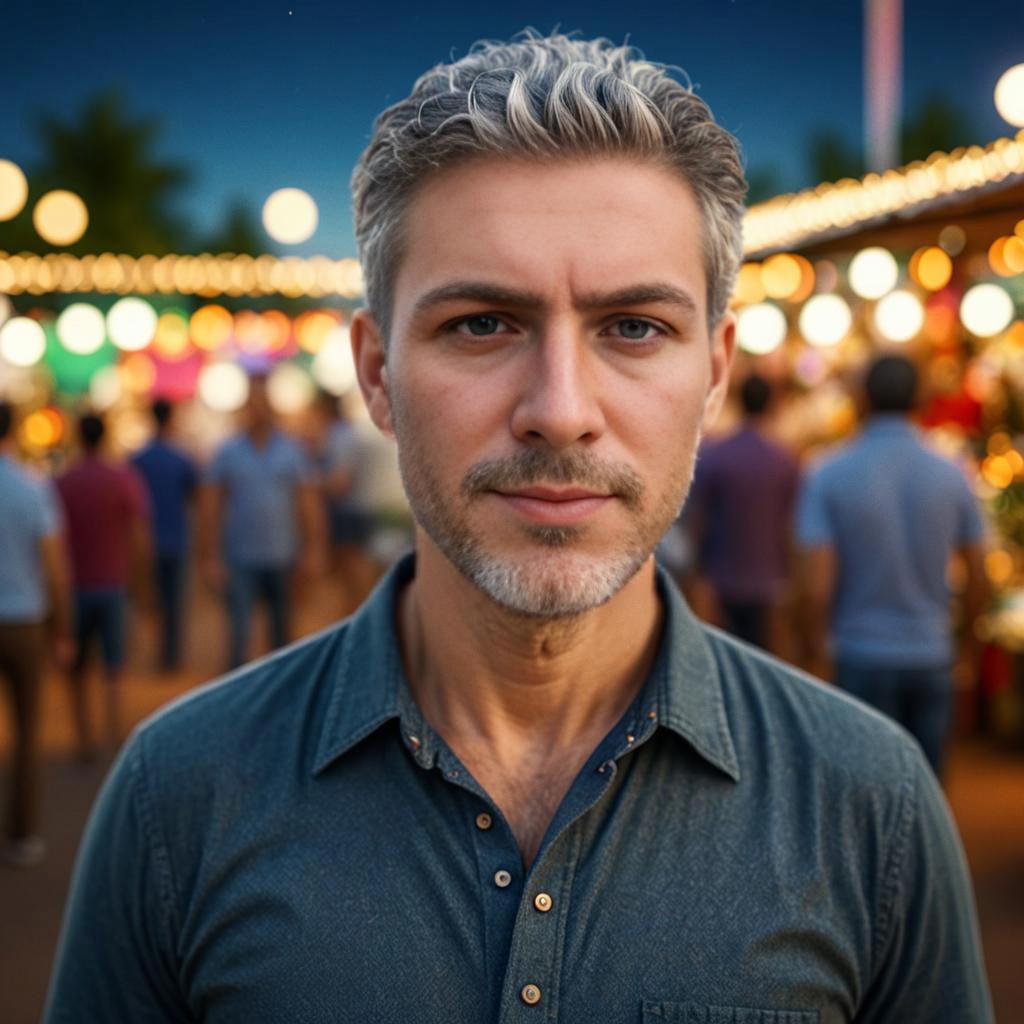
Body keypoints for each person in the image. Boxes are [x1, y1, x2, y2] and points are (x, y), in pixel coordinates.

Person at [46, 35, 993, 1022]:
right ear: (376, 373)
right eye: (482, 324)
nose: (559, 407)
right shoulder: (179, 796)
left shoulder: (868, 803)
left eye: (633, 327)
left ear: (712, 373)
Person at [798, 354, 988, 778]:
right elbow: (978, 573)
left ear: (861, 399)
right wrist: (968, 646)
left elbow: (817, 586)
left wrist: (815, 650)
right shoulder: (951, 473)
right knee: (927, 800)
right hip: (931, 651)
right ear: (921, 399)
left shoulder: (828, 473)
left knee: (863, 799)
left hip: (859, 653)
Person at [198, 373, 324, 668]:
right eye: (251, 404)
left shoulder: (291, 451)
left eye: (261, 403)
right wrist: (210, 556)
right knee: (239, 636)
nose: (257, 410)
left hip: (283, 556)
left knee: (283, 638)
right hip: (240, 557)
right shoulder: (227, 453)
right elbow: (211, 509)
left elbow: (308, 505)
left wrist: (314, 549)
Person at [0, 403, 72, 867]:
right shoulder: (31, 486)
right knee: (28, 734)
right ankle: (22, 833)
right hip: (25, 621)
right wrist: (62, 628)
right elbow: (54, 567)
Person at [56, 413, 150, 758]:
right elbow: (140, 535)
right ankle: (114, 735)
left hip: (76, 586)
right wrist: (143, 584)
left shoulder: (63, 481)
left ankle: (83, 738)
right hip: (113, 583)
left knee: (76, 669)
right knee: (114, 666)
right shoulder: (121, 478)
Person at [687, 372, 800, 650]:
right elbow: (793, 526)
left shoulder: (717, 455)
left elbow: (697, 519)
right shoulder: (785, 459)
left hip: (722, 577)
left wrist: (697, 573)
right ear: (772, 403)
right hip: (771, 580)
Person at [131, 398, 199, 671]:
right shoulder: (181, 459)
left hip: (147, 542)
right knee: (175, 603)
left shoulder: (139, 459)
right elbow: (193, 496)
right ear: (171, 419)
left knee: (149, 600)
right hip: (176, 539)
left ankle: (155, 654)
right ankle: (171, 656)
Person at [314, 389, 378, 616]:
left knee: (352, 570)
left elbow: (339, 482)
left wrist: (310, 485)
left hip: (347, 511)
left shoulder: (338, 435)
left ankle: (357, 615)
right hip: (356, 508)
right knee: (353, 570)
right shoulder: (348, 432)